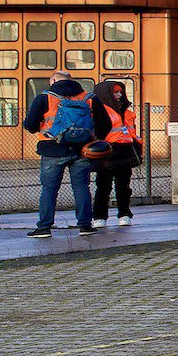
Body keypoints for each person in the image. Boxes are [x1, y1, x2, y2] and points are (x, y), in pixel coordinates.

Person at [19, 74, 100, 237]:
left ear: (54, 81)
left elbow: (30, 124)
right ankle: (85, 226)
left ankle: (44, 227)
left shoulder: (45, 98)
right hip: (81, 150)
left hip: (52, 149)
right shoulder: (89, 97)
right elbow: (104, 123)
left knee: (49, 189)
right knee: (81, 188)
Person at [85, 79, 145, 227]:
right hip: (106, 152)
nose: (119, 95)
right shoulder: (99, 110)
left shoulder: (126, 111)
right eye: (116, 92)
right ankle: (100, 216)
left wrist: (137, 147)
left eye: (120, 92)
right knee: (103, 186)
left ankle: (124, 214)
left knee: (123, 186)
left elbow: (132, 132)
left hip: (125, 152)